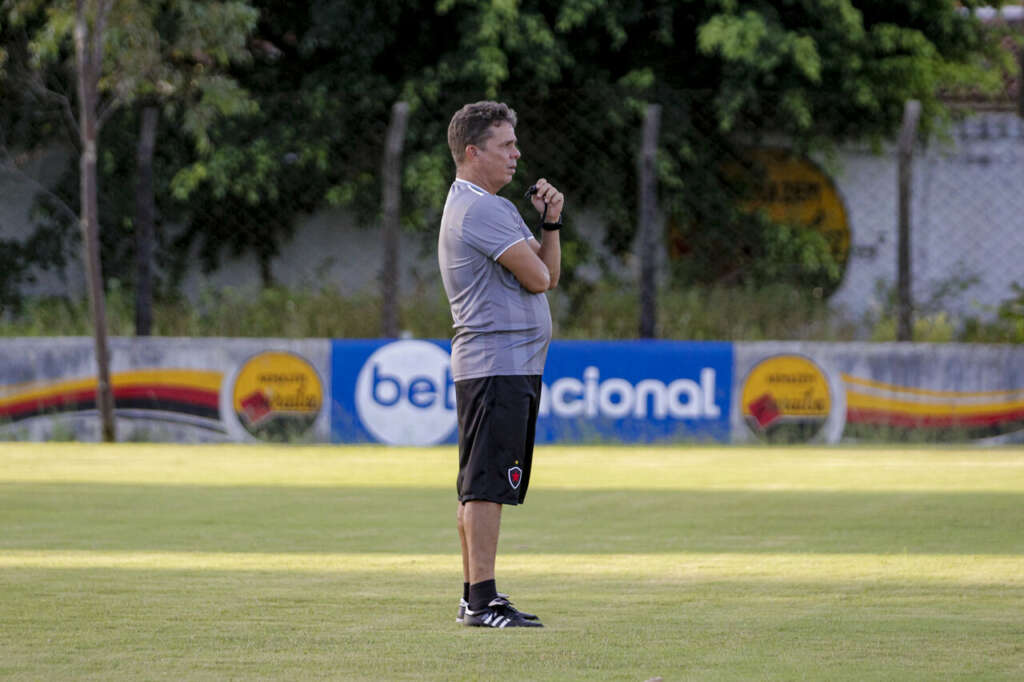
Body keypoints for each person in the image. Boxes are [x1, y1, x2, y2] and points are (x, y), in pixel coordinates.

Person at [438, 101, 564, 628]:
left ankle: (476, 596)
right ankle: (483, 598)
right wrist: (540, 251)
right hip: (496, 365)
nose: (516, 154)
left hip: (500, 366)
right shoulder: (482, 209)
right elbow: (537, 279)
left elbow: (546, 271)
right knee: (487, 483)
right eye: (505, 145)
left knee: (482, 481)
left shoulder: (491, 204)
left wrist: (551, 223)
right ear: (472, 152)